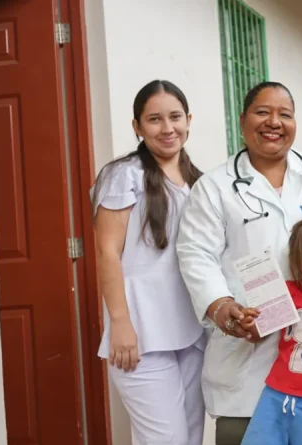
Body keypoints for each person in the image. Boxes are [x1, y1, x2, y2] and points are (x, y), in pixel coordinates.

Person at [175, 81, 302, 445]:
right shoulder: (214, 187)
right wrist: (221, 306)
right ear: (243, 119)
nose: (274, 122)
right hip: (246, 361)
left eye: (285, 114)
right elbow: (196, 255)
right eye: (263, 112)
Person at [91, 80, 206, 444]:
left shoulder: (199, 182)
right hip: (141, 334)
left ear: (188, 120)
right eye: (154, 119)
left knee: (190, 438)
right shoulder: (123, 174)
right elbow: (107, 252)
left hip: (191, 333)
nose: (167, 128)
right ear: (137, 127)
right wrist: (120, 325)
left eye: (175, 117)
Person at [240, 216, 302, 445]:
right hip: (275, 395)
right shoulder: (286, 292)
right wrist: (249, 323)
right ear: (298, 260)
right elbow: (258, 332)